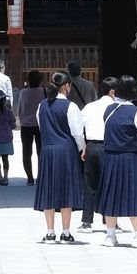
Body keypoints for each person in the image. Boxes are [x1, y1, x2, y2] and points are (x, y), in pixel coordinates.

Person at [95, 75, 137, 247]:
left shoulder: (108, 110)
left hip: (111, 156)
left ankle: (110, 235)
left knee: (111, 193)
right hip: (131, 157)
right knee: (133, 194)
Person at [33, 71, 85, 243]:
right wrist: (82, 148)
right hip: (66, 150)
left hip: (47, 150)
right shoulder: (71, 106)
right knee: (66, 189)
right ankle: (66, 232)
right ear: (67, 86)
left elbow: (41, 126)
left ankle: (49, 232)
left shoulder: (42, 106)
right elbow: (77, 133)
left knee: (48, 188)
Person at [78, 76, 118, 231]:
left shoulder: (90, 107)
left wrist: (84, 146)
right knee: (108, 184)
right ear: (113, 91)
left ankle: (87, 221)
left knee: (90, 184)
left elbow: (78, 127)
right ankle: (109, 219)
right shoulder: (116, 107)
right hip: (109, 147)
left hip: (92, 146)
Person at [17, 69, 44, 185]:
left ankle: (29, 178)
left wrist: (21, 120)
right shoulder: (44, 91)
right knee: (41, 152)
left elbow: (19, 108)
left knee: (27, 152)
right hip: (40, 125)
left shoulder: (23, 92)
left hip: (26, 125)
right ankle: (42, 176)